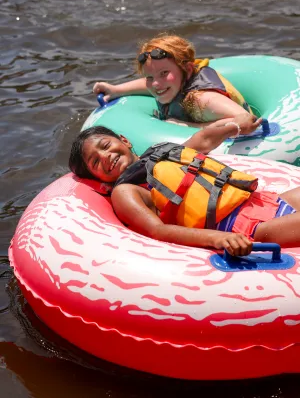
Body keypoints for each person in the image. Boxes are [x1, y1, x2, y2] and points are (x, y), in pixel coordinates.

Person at [69, 113, 300, 257]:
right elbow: (157, 230)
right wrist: (216, 239)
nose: (105, 157)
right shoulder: (126, 191)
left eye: (105, 146)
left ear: (125, 141)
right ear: (98, 177)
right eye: (96, 162)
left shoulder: (163, 153)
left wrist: (236, 127)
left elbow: (203, 140)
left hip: (264, 200)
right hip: (244, 229)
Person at [93, 33, 253, 129]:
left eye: (164, 73)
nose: (155, 84)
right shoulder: (171, 84)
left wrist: (188, 127)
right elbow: (148, 85)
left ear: (188, 69)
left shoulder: (202, 100)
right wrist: (115, 90)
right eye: (150, 77)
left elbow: (246, 120)